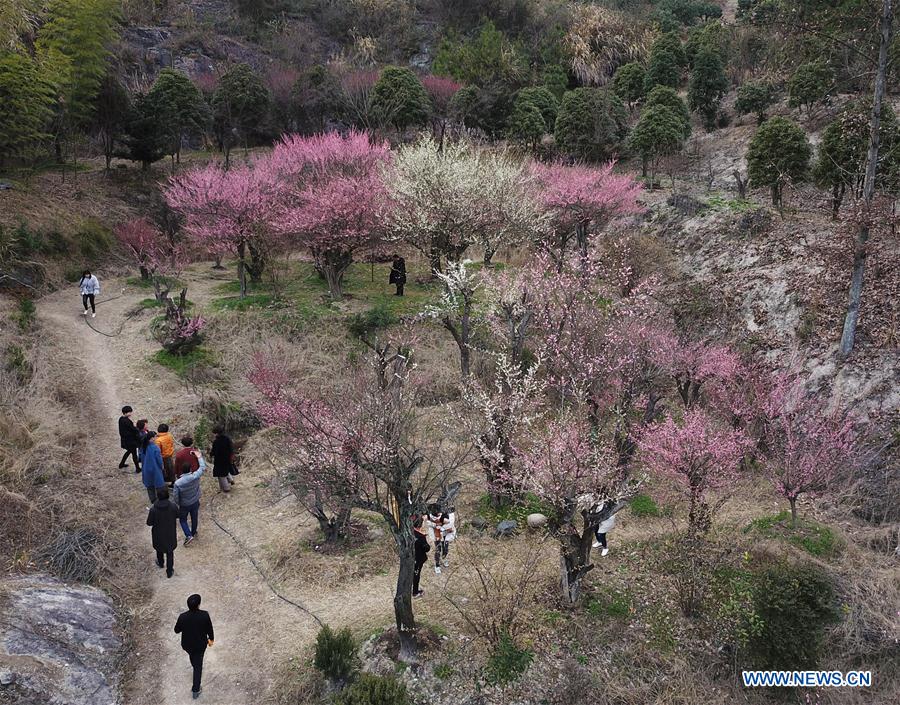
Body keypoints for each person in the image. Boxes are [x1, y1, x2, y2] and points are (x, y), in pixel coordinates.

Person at [174, 594, 215, 699]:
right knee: (198, 667)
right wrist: (211, 639)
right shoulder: (204, 615)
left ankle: (195, 663)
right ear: (199, 605)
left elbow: (176, 630)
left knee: (194, 659)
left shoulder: (182, 617)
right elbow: (210, 629)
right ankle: (196, 690)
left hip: (187, 645)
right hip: (200, 645)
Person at [173, 450, 206, 545]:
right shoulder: (195, 476)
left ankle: (188, 535)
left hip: (184, 503)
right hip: (195, 500)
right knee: (194, 517)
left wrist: (178, 503)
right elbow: (202, 467)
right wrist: (199, 457)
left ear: (182, 471)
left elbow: (175, 496)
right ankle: (193, 531)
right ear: (191, 469)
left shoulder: (178, 483)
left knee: (183, 519)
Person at [147, 487, 179, 578]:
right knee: (170, 552)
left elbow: (149, 523)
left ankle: (160, 563)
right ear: (168, 495)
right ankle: (169, 571)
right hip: (170, 533)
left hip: (158, 534)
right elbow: (178, 515)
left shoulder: (153, 509)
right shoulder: (173, 506)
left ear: (158, 496)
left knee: (159, 549)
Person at [141, 431, 165, 508]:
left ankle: (153, 500)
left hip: (146, 469)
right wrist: (162, 467)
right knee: (159, 485)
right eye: (155, 437)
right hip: (155, 469)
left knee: (150, 486)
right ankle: (161, 499)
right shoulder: (155, 448)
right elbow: (159, 460)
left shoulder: (143, 447)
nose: (156, 438)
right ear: (151, 439)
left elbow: (141, 458)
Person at [429, 505, 456, 571]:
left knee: (445, 547)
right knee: (438, 548)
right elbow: (429, 525)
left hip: (445, 532)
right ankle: (437, 565)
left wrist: (443, 528)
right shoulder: (430, 517)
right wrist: (436, 526)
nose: (440, 513)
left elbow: (450, 523)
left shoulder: (448, 515)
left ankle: (444, 558)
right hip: (436, 533)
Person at [210, 427, 237, 492]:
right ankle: (231, 480)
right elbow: (231, 448)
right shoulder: (227, 438)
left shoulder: (216, 441)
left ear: (216, 433)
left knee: (221, 474)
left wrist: (211, 454)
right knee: (226, 469)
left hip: (219, 459)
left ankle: (226, 488)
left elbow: (214, 451)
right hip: (227, 458)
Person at [117, 406, 141, 472]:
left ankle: (121, 464)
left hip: (125, 440)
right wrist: (135, 427)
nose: (130, 413)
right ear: (125, 413)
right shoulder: (127, 421)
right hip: (130, 441)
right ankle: (137, 468)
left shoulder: (121, 419)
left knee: (129, 452)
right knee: (134, 454)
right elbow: (133, 430)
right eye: (129, 412)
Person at [412, 516, 430, 599]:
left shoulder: (409, 533)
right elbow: (426, 548)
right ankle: (415, 592)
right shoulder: (420, 536)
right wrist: (424, 538)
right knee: (416, 574)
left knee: (411, 573)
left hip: (410, 558)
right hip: (418, 559)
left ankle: (410, 589)